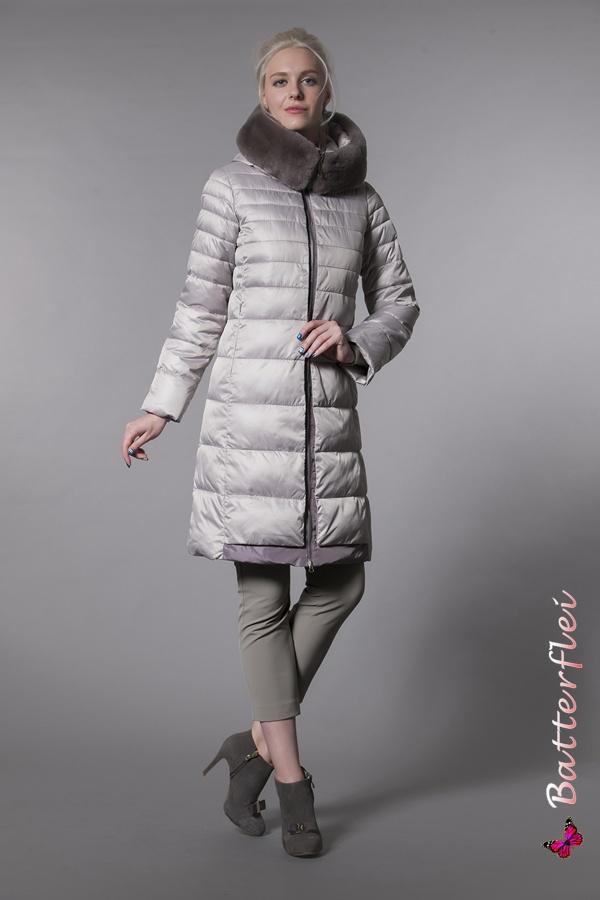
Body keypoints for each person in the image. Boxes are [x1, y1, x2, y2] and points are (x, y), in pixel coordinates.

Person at [121, 27, 420, 858]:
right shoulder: (231, 188)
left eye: (308, 79)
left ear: (327, 92)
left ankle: (251, 743)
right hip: (249, 426)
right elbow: (200, 308)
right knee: (261, 596)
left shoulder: (363, 200)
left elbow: (399, 300)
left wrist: (355, 341)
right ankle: (291, 779)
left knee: (341, 583)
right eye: (280, 80)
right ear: (263, 94)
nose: (294, 92)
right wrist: (161, 406)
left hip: (326, 424)